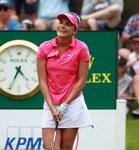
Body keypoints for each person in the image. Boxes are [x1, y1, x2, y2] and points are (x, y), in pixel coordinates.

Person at [37, 12, 92, 149]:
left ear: (75, 31)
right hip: (51, 103)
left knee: (66, 148)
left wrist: (65, 104)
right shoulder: (44, 47)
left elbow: (82, 81)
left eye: (68, 24)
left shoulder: (82, 48)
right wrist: (52, 108)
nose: (62, 26)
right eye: (61, 22)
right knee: (51, 147)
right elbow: (42, 81)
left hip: (72, 104)